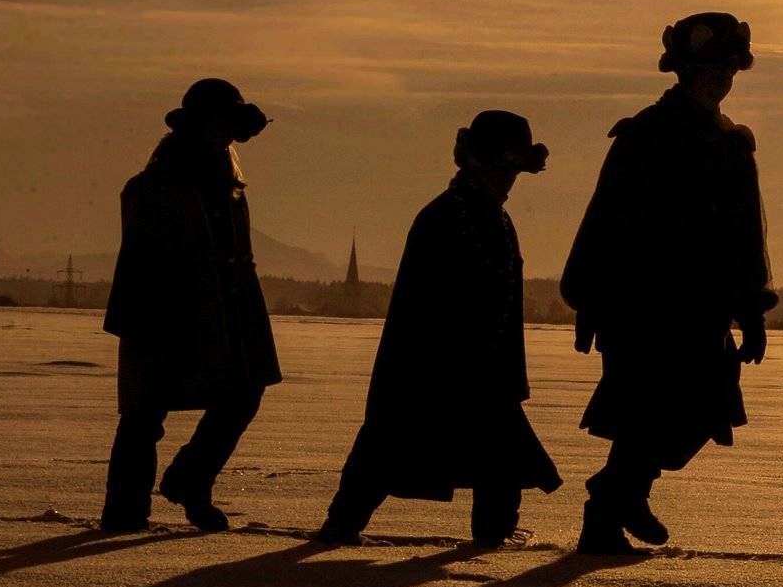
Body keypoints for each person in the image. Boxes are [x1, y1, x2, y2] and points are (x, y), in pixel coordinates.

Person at [562, 12, 776, 555]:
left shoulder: (733, 142)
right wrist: (589, 300)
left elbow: (746, 234)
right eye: (709, 68)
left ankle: (615, 495)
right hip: (640, 307)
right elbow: (605, 219)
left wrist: (750, 312)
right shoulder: (645, 136)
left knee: (701, 411)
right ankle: (606, 517)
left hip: (703, 311)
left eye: (728, 69)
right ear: (683, 71)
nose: (720, 79)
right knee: (643, 414)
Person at [315, 112, 563, 545]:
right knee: (386, 443)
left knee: (500, 452)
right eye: (503, 170)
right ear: (477, 164)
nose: (509, 181)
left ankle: (493, 535)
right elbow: (422, 304)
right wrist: (443, 362)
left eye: (514, 172)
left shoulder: (495, 219)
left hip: (484, 369)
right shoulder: (444, 217)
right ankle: (342, 524)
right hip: (430, 365)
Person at [99, 78, 281, 532]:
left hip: (227, 316)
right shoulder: (154, 185)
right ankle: (125, 512)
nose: (224, 133)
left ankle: (190, 481)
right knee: (144, 415)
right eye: (217, 123)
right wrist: (152, 326)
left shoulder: (230, 183)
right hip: (163, 313)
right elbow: (141, 259)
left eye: (229, 124)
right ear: (195, 126)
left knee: (243, 395)